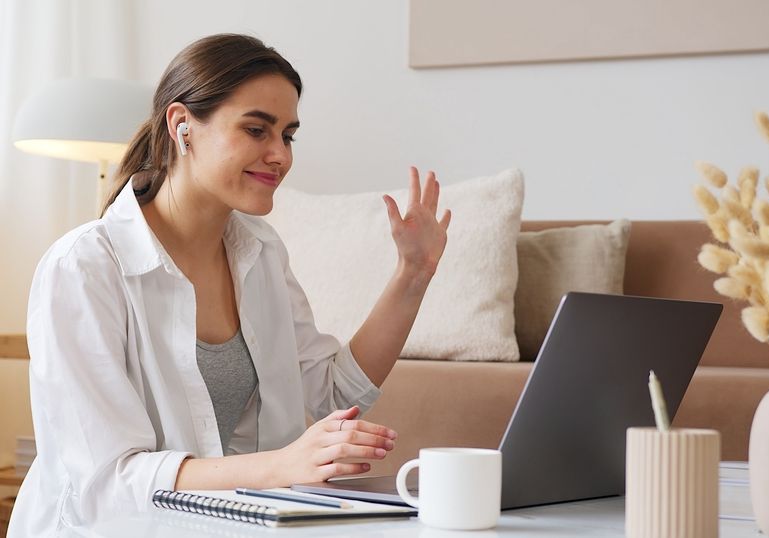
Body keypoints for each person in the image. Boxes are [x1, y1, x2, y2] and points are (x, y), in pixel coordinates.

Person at [8, 33, 451, 536]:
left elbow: (329, 394)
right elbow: (107, 484)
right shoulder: (83, 268)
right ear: (182, 127)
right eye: (256, 129)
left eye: (287, 135)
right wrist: (282, 466)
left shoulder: (260, 252)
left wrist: (413, 275)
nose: (279, 155)